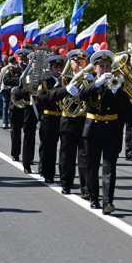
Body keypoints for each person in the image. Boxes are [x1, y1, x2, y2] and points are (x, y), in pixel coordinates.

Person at [70, 50, 131, 214]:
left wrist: (117, 91)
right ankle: (94, 198)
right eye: (101, 66)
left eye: (107, 66)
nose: (105, 69)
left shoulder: (117, 83)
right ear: (95, 68)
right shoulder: (89, 82)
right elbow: (81, 95)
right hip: (93, 128)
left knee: (110, 167)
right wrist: (97, 84)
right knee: (92, 166)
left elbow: (126, 107)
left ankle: (108, 201)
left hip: (111, 129)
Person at [55, 49, 90, 196]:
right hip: (68, 121)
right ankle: (66, 184)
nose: (80, 63)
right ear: (71, 62)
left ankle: (86, 189)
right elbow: (52, 96)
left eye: (82, 61)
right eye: (76, 61)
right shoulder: (64, 79)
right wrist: (66, 90)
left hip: (84, 120)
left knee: (84, 157)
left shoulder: (90, 78)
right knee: (66, 156)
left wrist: (91, 84)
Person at [35, 54, 65, 183]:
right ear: (51, 68)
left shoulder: (66, 81)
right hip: (49, 117)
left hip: (63, 118)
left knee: (65, 150)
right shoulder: (45, 81)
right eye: (55, 67)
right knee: (49, 148)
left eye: (60, 66)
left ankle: (65, 177)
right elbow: (41, 99)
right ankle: (48, 173)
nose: (58, 69)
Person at [8, 49, 38, 172]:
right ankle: (15, 153)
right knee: (16, 131)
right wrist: (21, 82)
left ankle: (28, 160)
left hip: (31, 107)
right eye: (22, 57)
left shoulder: (41, 74)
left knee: (30, 135)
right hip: (16, 105)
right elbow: (6, 80)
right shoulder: (14, 69)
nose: (24, 59)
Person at [0, 56, 18, 129]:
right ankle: (10, 122)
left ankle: (4, 123)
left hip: (4, 88)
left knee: (5, 106)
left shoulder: (3, 68)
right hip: (11, 88)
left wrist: (1, 87)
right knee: (11, 106)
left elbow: (0, 79)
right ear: (13, 61)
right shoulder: (14, 68)